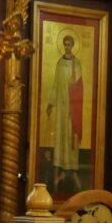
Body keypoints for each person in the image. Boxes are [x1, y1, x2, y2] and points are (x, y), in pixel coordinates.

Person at [46, 34, 83, 193]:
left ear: (73, 46)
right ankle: (59, 168)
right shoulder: (60, 63)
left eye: (69, 44)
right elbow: (55, 84)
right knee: (61, 136)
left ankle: (72, 170)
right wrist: (50, 103)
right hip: (61, 106)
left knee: (70, 136)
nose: (67, 47)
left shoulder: (77, 63)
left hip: (72, 107)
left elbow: (79, 85)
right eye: (65, 44)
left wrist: (74, 95)